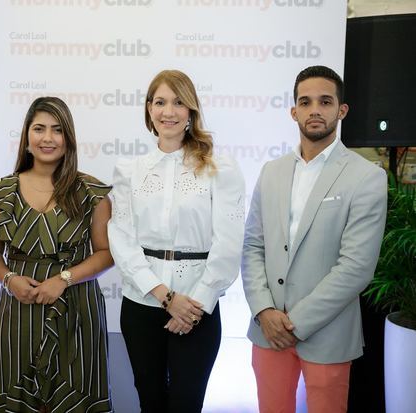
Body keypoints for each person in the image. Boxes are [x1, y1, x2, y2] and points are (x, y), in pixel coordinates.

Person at [241, 65, 388, 413]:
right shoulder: (271, 171)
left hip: (328, 333)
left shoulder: (367, 177)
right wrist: (264, 311)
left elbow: (356, 267)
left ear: (341, 110)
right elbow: (252, 247)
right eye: (305, 102)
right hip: (268, 331)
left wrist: (295, 323)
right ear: (294, 112)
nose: (315, 110)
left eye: (325, 101)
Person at [107, 69, 246, 412]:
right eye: (160, 102)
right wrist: (164, 296)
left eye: (178, 102)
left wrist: (195, 303)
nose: (168, 111)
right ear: (149, 110)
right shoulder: (129, 169)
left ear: (191, 111)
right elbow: (121, 239)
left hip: (198, 308)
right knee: (150, 401)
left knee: (187, 403)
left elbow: (229, 243)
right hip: (142, 304)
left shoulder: (220, 168)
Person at [0, 96, 113, 412]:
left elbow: (106, 253)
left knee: (77, 398)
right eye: (39, 129)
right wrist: (9, 279)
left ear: (68, 139)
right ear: (27, 138)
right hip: (18, 311)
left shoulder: (91, 192)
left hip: (77, 310)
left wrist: (64, 279)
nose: (47, 138)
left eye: (56, 130)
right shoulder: (1, 193)